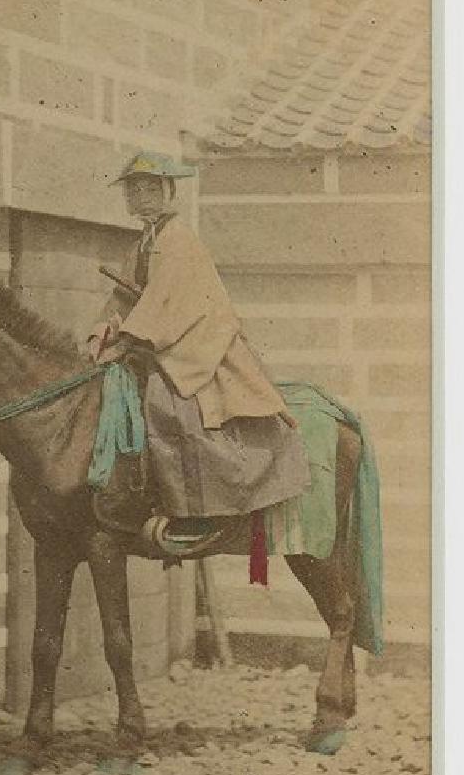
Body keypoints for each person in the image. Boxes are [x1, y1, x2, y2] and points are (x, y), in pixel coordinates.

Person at [88, 151, 310, 523]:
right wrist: (103, 331)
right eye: (135, 190)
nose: (143, 197)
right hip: (160, 339)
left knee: (166, 403)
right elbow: (125, 299)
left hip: (200, 343)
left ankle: (195, 508)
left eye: (150, 189)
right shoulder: (141, 244)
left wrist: (127, 340)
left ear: (167, 191)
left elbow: (165, 301)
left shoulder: (180, 241)